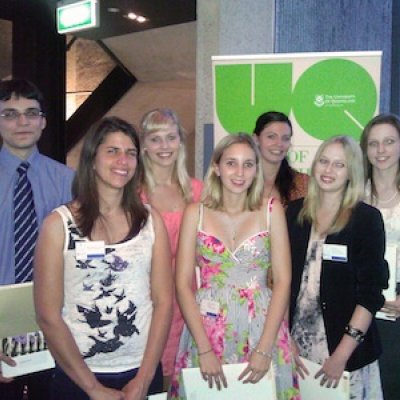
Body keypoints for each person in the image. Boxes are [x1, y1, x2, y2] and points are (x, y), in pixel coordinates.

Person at [34, 117, 172, 400]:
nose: (123, 160)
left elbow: (163, 301)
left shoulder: (150, 221)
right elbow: (48, 315)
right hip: (78, 377)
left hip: (141, 372)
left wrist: (144, 380)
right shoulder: (58, 225)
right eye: (112, 151)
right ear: (92, 158)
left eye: (131, 153)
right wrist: (92, 388)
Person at [169, 134, 300, 399]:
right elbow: (182, 284)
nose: (240, 172)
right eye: (231, 163)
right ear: (217, 167)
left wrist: (265, 349)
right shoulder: (196, 212)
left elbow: (284, 280)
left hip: (262, 325)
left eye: (248, 164)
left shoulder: (271, 210)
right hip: (207, 327)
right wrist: (204, 349)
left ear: (256, 170)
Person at [287, 135, 388, 399]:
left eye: (339, 165)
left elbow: (371, 293)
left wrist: (341, 355)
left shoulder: (366, 220)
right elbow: (279, 281)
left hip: (347, 353)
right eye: (324, 161)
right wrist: (284, 341)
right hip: (296, 351)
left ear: (351, 172)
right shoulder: (293, 214)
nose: (328, 170)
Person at [0, 79, 74, 399]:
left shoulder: (69, 182)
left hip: (58, 326)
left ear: (43, 122)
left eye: (31, 113)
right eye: (10, 114)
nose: (22, 122)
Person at [139, 108, 203, 389]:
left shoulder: (199, 191)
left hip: (192, 298)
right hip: (148, 299)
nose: (164, 146)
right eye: (155, 139)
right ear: (143, 145)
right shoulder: (132, 191)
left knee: (186, 380)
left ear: (181, 142)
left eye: (170, 137)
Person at [360, 113, 400, 400]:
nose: (381, 150)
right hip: (360, 310)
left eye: (389, 142)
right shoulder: (354, 195)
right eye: (374, 143)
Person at [253, 111, 309, 207]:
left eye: (285, 138)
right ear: (256, 139)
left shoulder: (303, 183)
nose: (279, 143)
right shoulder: (241, 180)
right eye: (271, 137)